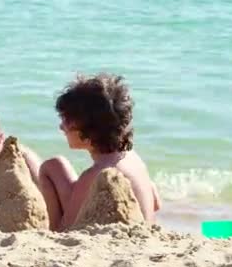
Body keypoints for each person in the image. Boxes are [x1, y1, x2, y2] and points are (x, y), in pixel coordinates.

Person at [39, 73, 161, 231]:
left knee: (53, 167)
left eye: (66, 120)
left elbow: (67, 230)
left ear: (89, 131)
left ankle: (49, 231)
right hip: (142, 233)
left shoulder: (98, 175)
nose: (61, 127)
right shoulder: (134, 159)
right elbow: (157, 204)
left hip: (118, 243)